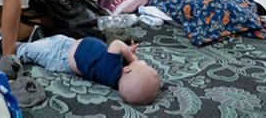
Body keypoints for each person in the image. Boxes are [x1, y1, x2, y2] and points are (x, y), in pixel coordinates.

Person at [17, 35, 160, 105]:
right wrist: (129, 52)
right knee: (39, 46)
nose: (142, 62)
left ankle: (1, 45)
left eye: (143, 65)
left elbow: (116, 44)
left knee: (27, 50)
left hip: (59, 54)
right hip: (66, 49)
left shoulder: (112, 70)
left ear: (128, 69)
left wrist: (132, 58)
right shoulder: (115, 76)